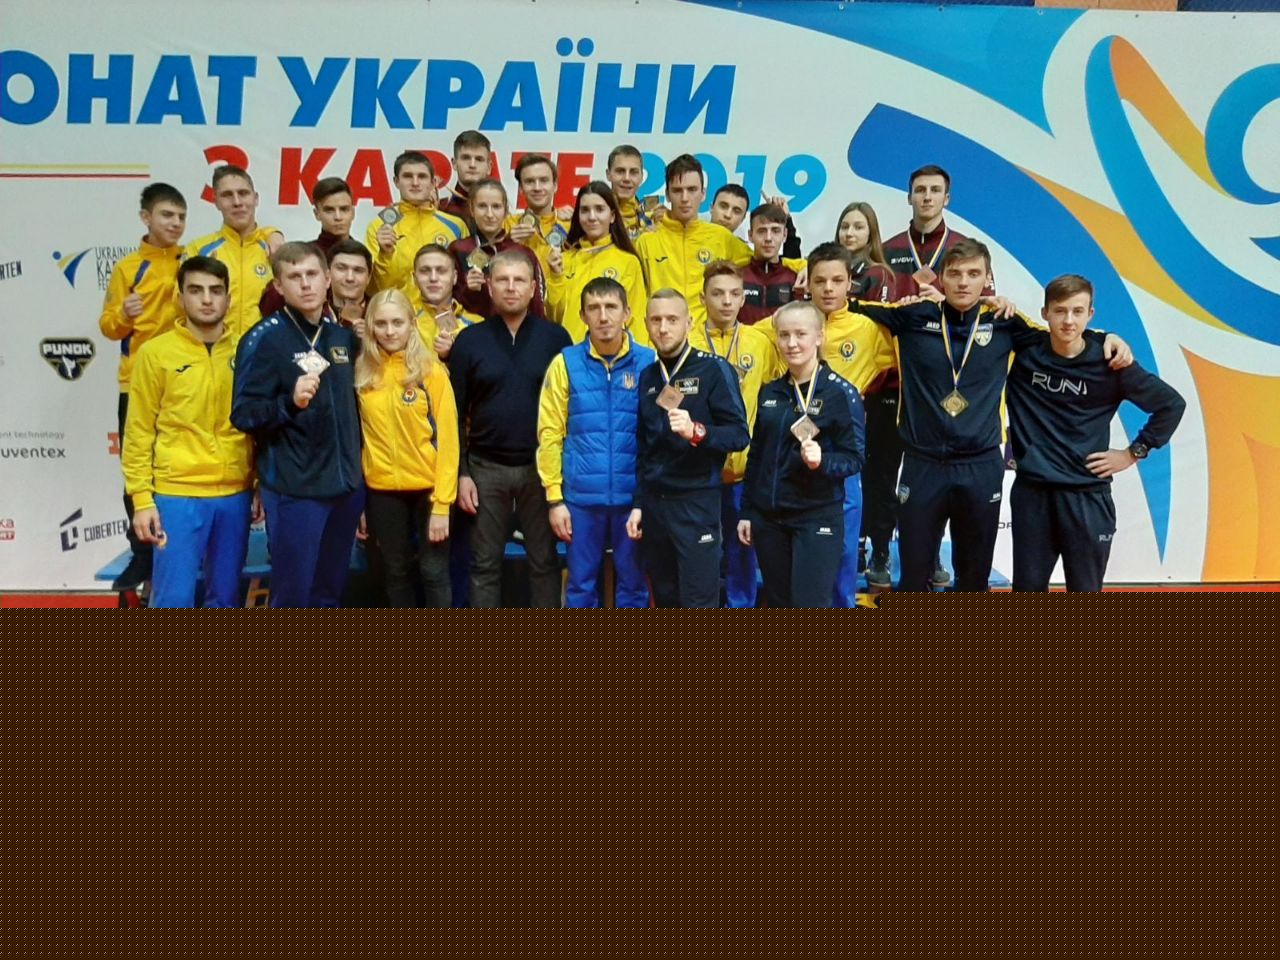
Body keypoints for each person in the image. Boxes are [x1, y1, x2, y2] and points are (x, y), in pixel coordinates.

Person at [852, 239, 1133, 592]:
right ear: (941, 277)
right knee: (913, 577)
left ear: (987, 279)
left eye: (973, 274)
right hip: (922, 465)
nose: (963, 282)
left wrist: (1105, 336)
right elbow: (851, 309)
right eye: (955, 273)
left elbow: (1061, 336)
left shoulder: (1006, 322)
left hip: (981, 467)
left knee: (974, 578)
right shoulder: (911, 317)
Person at [1006, 275, 1185, 592]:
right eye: (1060, 311)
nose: (1068, 320)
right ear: (1045, 313)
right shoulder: (1025, 349)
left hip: (1087, 496)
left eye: (1077, 311)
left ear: (1090, 314)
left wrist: (1133, 453)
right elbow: (972, 315)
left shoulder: (1110, 362)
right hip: (1033, 494)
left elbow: (1171, 405)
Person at [757, 243, 896, 606]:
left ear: (850, 283)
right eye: (820, 280)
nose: (828, 288)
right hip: (792, 461)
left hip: (839, 456)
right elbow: (742, 336)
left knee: (845, 555)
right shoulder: (786, 324)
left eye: (837, 280)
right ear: (808, 283)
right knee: (790, 578)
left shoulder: (869, 329)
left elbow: (910, 349)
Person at [230, 242, 364, 607]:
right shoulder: (263, 338)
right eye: (294, 276)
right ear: (279, 285)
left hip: (345, 487)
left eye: (311, 274)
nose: (305, 284)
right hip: (296, 490)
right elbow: (244, 414)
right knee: (293, 595)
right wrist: (289, 403)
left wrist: (357, 480)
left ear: (327, 279)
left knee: (329, 593)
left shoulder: (341, 337)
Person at [122, 256, 256, 607]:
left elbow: (258, 424)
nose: (207, 300)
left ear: (229, 298)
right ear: (180, 298)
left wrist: (257, 483)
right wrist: (141, 499)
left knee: (225, 599)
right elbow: (138, 432)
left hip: (235, 494)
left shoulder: (247, 350)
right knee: (173, 599)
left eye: (216, 291)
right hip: (176, 495)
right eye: (196, 291)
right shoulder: (155, 353)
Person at [449, 250, 571, 607]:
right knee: (484, 564)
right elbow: (454, 413)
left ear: (533, 288)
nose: (511, 287)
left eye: (520, 280)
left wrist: (561, 474)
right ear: (489, 286)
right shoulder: (469, 340)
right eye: (502, 280)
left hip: (540, 470)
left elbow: (569, 411)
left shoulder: (556, 339)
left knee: (544, 562)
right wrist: (462, 473)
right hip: (485, 469)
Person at [537, 277, 655, 607]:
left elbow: (658, 436)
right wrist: (555, 499)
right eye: (594, 308)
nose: (603, 316)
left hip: (633, 500)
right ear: (583, 315)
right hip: (580, 501)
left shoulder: (649, 363)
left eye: (611, 307)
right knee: (579, 587)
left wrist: (647, 497)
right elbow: (549, 434)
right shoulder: (565, 364)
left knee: (634, 587)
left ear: (627, 313)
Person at [628, 290, 750, 608]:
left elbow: (739, 435)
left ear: (689, 322)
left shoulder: (713, 370)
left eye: (672, 319)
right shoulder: (649, 376)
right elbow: (644, 447)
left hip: (696, 503)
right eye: (656, 320)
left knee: (698, 601)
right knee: (665, 598)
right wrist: (639, 503)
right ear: (645, 324)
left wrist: (698, 432)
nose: (663, 328)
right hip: (656, 507)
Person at [739, 302, 866, 607]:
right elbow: (757, 457)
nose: (791, 343)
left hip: (815, 517)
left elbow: (854, 458)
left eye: (800, 334)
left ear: (819, 336)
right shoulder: (770, 392)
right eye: (784, 335)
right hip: (770, 520)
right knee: (778, 603)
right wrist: (748, 511)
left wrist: (823, 461)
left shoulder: (840, 393)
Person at [99, 182, 188, 591]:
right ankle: (142, 554)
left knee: (183, 462)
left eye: (181, 216)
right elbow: (108, 326)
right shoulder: (128, 268)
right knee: (137, 467)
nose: (175, 223)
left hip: (185, 378)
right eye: (167, 215)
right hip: (137, 382)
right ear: (146, 218)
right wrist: (123, 313)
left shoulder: (191, 260)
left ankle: (185, 544)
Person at [355, 288, 460, 607]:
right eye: (381, 323)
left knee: (433, 571)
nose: (389, 331)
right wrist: (359, 503)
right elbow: (358, 439)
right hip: (382, 491)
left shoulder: (431, 372)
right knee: (395, 572)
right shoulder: (361, 373)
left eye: (397, 322)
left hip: (429, 490)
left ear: (412, 324)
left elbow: (449, 442)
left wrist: (442, 505)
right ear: (371, 327)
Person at [690, 261, 779, 608]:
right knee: (701, 552)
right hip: (700, 470)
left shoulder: (759, 343)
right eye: (717, 294)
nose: (726, 301)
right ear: (703, 298)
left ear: (743, 298)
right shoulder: (688, 342)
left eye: (734, 294)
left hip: (746, 471)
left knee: (743, 550)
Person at [835, 200, 908, 589]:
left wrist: (868, 390)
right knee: (850, 474)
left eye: (858, 227)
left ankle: (881, 548)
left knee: (880, 476)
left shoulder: (879, 273)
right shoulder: (833, 271)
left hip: (882, 390)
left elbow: (875, 329)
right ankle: (858, 544)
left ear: (871, 234)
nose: (850, 233)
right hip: (850, 390)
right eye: (845, 226)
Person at [633, 155, 751, 324]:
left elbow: (765, 261)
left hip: (706, 337)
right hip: (663, 334)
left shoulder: (721, 237)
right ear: (667, 194)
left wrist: (798, 265)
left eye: (692, 190)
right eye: (677, 190)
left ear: (703, 194)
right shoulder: (646, 242)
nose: (685, 198)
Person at [185, 164, 283, 339]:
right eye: (227, 195)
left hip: (264, 349)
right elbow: (181, 306)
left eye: (243, 193)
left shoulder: (276, 249)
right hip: (214, 349)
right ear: (216, 202)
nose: (237, 202)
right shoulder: (198, 250)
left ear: (256, 198)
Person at [545, 181, 648, 344]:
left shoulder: (628, 261)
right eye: (585, 210)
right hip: (570, 353)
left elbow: (636, 321)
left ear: (612, 216)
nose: (592, 217)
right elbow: (555, 318)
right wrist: (556, 277)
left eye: (599, 209)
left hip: (611, 355)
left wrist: (639, 358)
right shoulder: (564, 260)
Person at [364, 150, 468, 307]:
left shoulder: (455, 226)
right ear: (396, 181)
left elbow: (463, 283)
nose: (415, 183)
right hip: (397, 316)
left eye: (422, 176)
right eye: (407, 176)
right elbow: (373, 289)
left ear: (433, 182)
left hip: (441, 317)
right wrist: (385, 255)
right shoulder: (379, 227)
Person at [448, 178, 546, 320]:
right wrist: (469, 291)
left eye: (496, 207)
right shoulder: (458, 250)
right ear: (472, 209)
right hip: (472, 330)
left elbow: (537, 306)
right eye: (482, 206)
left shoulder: (523, 253)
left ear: (505, 210)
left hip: (516, 332)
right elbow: (447, 302)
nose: (489, 214)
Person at [259, 177, 356, 318]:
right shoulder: (305, 256)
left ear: (353, 212)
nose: (338, 217)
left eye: (344, 209)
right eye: (329, 210)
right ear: (317, 214)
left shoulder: (362, 256)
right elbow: (268, 305)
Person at [505, 153, 574, 279]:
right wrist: (507, 244)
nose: (537, 188)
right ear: (521, 188)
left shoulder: (570, 225)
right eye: (530, 181)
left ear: (555, 185)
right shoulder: (507, 224)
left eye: (543, 180)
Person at [411, 243, 484, 360]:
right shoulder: (401, 320)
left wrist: (452, 355)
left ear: (454, 277)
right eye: (425, 271)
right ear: (414, 278)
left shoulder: (476, 325)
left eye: (441, 271)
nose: (433, 278)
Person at [738, 203, 806, 326]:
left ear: (784, 235)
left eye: (775, 231)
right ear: (750, 235)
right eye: (761, 231)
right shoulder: (737, 276)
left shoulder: (796, 278)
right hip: (743, 339)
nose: (768, 238)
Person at [323, 238, 375, 336]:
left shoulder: (382, 313)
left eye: (358, 270)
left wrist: (372, 340)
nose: (350, 278)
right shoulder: (314, 313)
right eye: (341, 268)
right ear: (328, 274)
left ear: (368, 277)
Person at [439, 130, 493, 223]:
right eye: (466, 158)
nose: (472, 165)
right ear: (454, 163)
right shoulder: (439, 210)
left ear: (489, 167)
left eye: (479, 159)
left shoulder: (500, 213)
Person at [606, 144, 656, 238]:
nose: (627, 178)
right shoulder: (594, 214)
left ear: (641, 177)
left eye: (633, 172)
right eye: (620, 171)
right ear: (608, 174)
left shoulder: (653, 216)